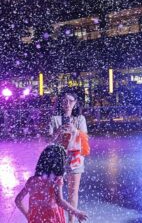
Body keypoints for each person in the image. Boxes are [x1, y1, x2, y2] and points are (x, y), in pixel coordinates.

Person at [15, 144, 88, 223]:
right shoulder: (56, 180)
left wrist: (28, 216)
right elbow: (59, 201)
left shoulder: (32, 180)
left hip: (36, 218)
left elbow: (18, 200)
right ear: (59, 164)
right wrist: (76, 213)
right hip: (52, 218)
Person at [49, 90, 90, 223]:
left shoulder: (80, 119)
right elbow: (48, 139)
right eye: (65, 100)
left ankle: (71, 220)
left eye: (71, 101)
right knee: (56, 193)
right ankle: (57, 218)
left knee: (73, 192)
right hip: (57, 160)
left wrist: (75, 130)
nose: (67, 103)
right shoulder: (55, 119)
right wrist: (57, 132)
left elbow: (85, 138)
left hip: (75, 159)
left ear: (75, 103)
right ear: (61, 102)